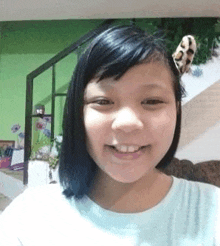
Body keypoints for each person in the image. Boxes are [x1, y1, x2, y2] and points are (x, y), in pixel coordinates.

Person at [0, 25, 219, 245]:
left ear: (177, 110)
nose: (128, 123)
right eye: (103, 101)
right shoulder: (28, 219)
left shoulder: (213, 213)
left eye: (152, 101)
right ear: (78, 112)